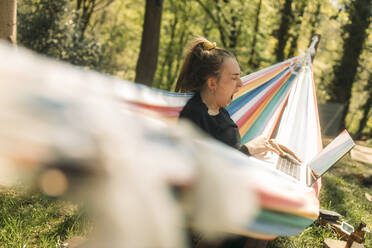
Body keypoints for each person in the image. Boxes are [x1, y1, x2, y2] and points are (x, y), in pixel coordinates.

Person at [176, 37, 300, 248]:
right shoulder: (194, 115)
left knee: (273, 214)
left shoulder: (219, 112)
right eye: (234, 78)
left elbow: (226, 152)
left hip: (231, 195)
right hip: (209, 211)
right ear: (212, 83)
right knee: (267, 220)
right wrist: (247, 150)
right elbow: (202, 171)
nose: (241, 84)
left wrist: (256, 151)